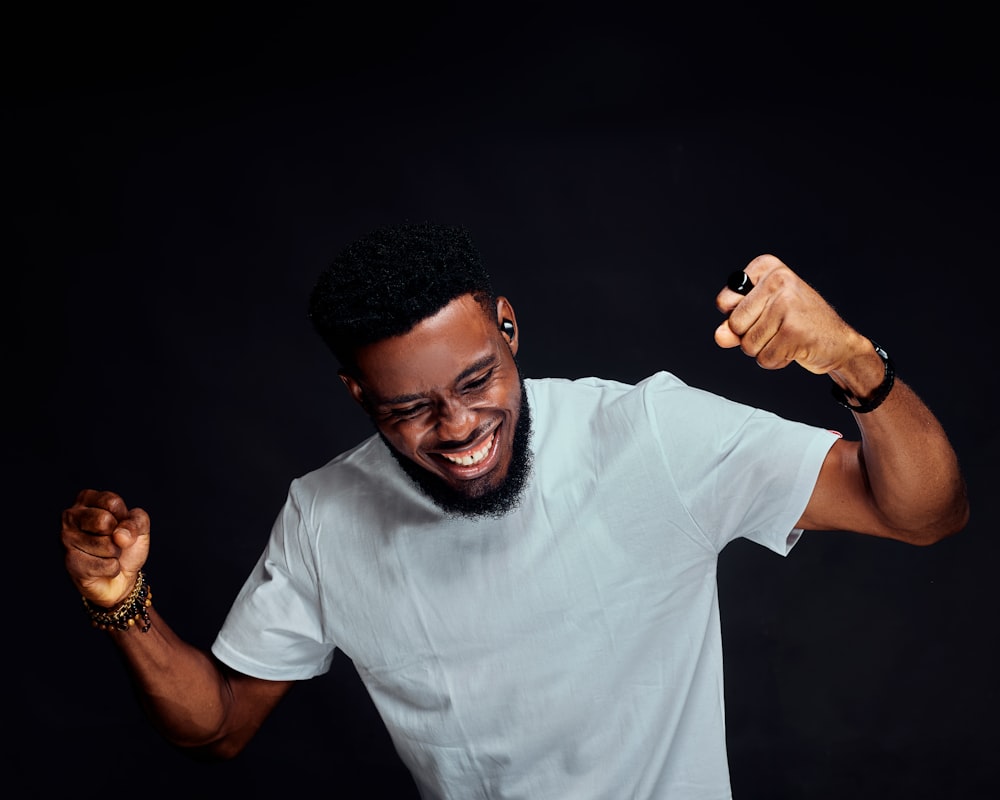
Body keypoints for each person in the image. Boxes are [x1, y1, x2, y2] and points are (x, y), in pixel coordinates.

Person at [61, 222, 968, 799]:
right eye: (409, 409)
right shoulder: (325, 517)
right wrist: (119, 606)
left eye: (476, 380)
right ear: (354, 393)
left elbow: (926, 513)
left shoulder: (650, 433)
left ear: (508, 326)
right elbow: (218, 727)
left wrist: (852, 360)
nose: (458, 429)